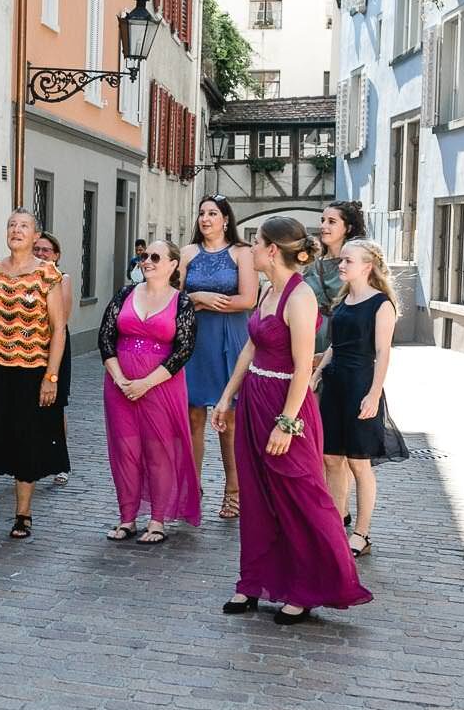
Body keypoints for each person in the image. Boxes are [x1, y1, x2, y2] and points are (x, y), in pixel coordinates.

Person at [210, 216, 373, 625]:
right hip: (254, 400)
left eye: (254, 243)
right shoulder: (268, 290)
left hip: (287, 407)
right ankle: (253, 582)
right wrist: (227, 397)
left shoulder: (299, 298)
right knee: (258, 496)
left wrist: (287, 423)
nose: (248, 250)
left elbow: (303, 368)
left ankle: (309, 586)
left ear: (270, 251)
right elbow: (250, 348)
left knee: (300, 497)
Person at [0, 209, 69, 538]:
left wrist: (51, 376)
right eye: (11, 225)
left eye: (24, 226)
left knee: (26, 437)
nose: (16, 230)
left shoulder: (47, 274)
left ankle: (23, 513)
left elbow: (59, 329)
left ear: (36, 236)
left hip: (31, 370)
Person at [100, 239, 202, 544]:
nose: (147, 262)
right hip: (120, 385)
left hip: (161, 386)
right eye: (145, 256)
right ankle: (127, 518)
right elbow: (106, 337)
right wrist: (119, 379)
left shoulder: (181, 303)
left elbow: (184, 349)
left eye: (155, 257)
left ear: (172, 265)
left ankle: (157, 519)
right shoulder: (126, 293)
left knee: (159, 452)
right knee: (125, 452)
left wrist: (145, 383)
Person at [320, 238, 405, 558]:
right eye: (341, 260)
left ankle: (362, 534)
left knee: (358, 463)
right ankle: (334, 522)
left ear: (367, 267)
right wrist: (317, 374)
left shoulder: (381, 304)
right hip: (334, 384)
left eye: (348, 261)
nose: (341, 265)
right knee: (331, 458)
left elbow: (383, 353)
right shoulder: (343, 299)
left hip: (360, 386)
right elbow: (334, 345)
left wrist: (373, 394)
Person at [181, 196, 258, 520]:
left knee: (229, 422)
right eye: (201, 213)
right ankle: (192, 489)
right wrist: (196, 297)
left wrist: (209, 302)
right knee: (192, 418)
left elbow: (249, 298)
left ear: (226, 219)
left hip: (230, 339)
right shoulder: (187, 253)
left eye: (213, 213)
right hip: (195, 342)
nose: (205, 218)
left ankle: (234, 492)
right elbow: (175, 296)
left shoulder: (242, 253)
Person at [31, 231, 74, 488]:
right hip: (29, 349)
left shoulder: (61, 278)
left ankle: (61, 462)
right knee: (31, 406)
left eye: (46, 250)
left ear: (56, 255)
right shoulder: (25, 275)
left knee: (55, 405)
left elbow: (62, 317)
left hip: (54, 347)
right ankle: (33, 458)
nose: (41, 254)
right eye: (37, 249)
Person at [309, 201, 367, 356]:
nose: (323, 226)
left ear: (347, 228)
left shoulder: (358, 263)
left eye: (332, 222)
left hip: (344, 339)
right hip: (310, 339)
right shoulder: (312, 264)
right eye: (323, 221)